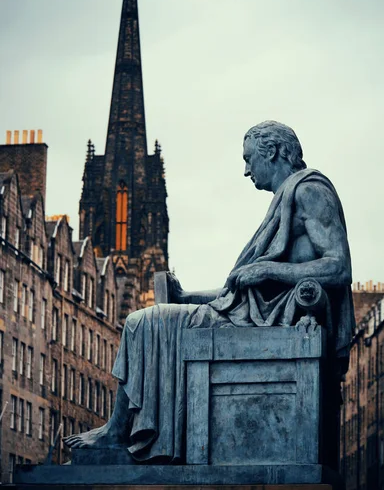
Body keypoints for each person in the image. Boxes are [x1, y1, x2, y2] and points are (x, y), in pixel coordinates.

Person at [64, 121, 355, 466]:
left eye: (248, 159)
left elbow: (339, 266)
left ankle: (117, 433)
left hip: (269, 321)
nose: (246, 170)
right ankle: (126, 431)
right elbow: (237, 292)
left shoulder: (309, 190)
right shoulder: (287, 196)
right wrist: (186, 296)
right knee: (152, 319)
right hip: (254, 315)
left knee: (142, 322)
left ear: (273, 152)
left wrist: (267, 269)